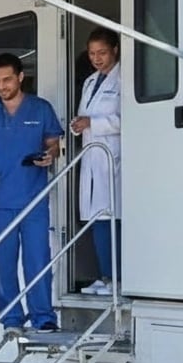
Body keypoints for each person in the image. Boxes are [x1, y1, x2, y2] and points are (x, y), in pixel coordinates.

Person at [0, 52, 65, 333]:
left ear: (20, 77)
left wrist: (49, 155)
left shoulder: (40, 109)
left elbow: (53, 144)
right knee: (4, 264)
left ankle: (43, 317)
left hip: (33, 198)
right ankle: (11, 319)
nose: (1, 86)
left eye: (7, 79)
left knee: (37, 259)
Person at [71, 27, 122, 297]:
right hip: (92, 156)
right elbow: (85, 115)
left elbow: (129, 118)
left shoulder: (125, 78)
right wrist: (78, 125)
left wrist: (94, 123)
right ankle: (104, 276)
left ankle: (116, 278)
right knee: (94, 218)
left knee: (109, 218)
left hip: (112, 157)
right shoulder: (91, 82)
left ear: (115, 49)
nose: (97, 58)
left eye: (102, 52)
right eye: (92, 53)